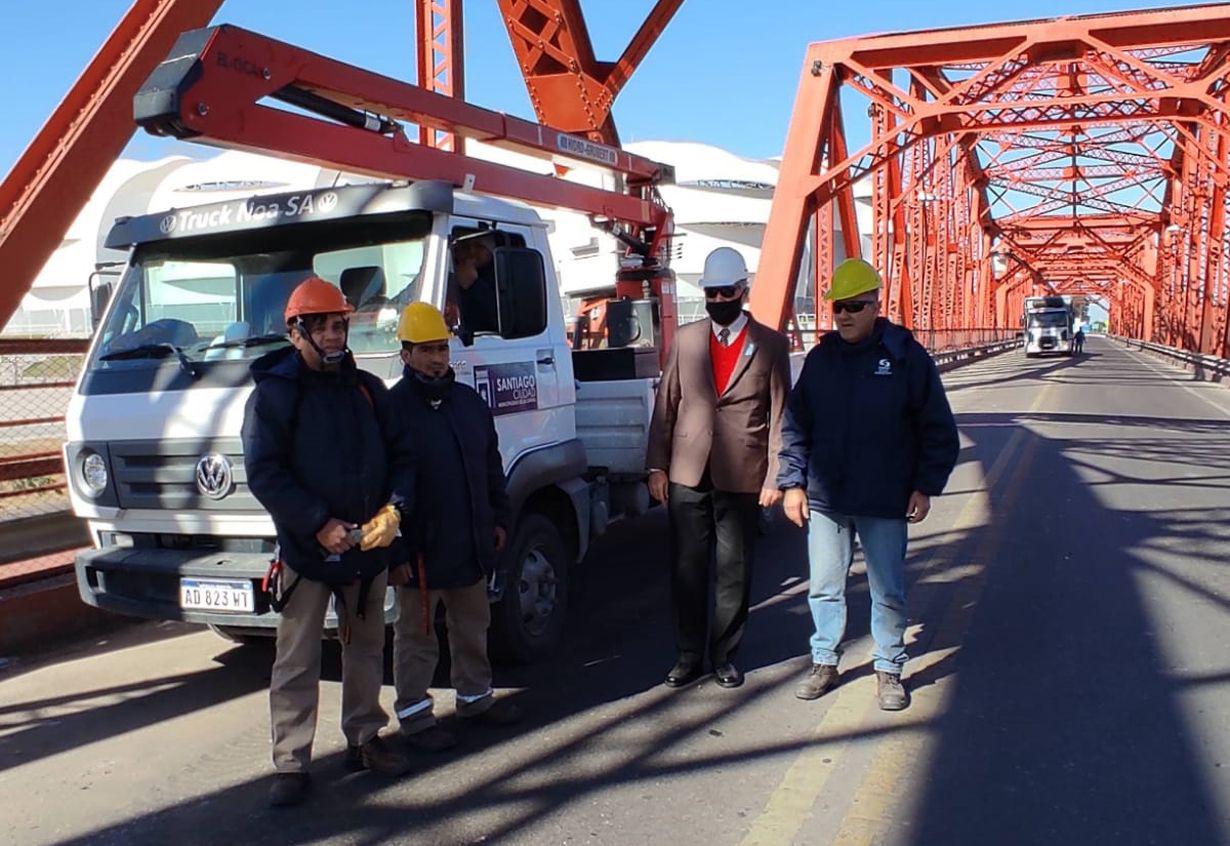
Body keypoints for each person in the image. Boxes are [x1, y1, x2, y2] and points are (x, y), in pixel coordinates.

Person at [241, 276, 413, 807]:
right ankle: (291, 762)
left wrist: (395, 510)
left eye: (340, 325)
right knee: (295, 658)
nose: (336, 335)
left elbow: (403, 457)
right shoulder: (275, 395)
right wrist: (317, 522)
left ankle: (364, 738)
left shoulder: (366, 390)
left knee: (365, 647)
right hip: (309, 550)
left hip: (367, 546)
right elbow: (264, 472)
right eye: (324, 327)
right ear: (298, 333)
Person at [778, 259, 960, 711]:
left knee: (888, 589)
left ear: (876, 305)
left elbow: (937, 427)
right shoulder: (821, 361)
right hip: (827, 498)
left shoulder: (905, 357)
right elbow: (796, 425)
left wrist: (925, 485)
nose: (844, 315)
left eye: (855, 306)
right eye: (838, 307)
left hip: (883, 497)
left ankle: (889, 667)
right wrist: (791, 483)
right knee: (823, 584)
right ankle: (824, 660)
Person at [646, 247, 792, 689]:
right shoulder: (687, 341)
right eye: (712, 292)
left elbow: (781, 414)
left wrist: (775, 477)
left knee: (735, 570)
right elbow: (666, 405)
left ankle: (724, 655)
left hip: (743, 476)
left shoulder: (770, 344)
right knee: (687, 569)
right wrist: (655, 466)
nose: (719, 300)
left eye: (727, 292)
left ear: (742, 292)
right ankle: (688, 655)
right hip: (688, 472)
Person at [385, 302, 522, 751]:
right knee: (416, 639)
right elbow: (381, 486)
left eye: (441, 348)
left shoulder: (468, 404)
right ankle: (415, 715)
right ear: (405, 354)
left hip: (469, 545)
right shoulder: (392, 410)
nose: (436, 358)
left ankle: (475, 699)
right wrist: (396, 553)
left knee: (472, 626)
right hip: (420, 554)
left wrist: (499, 520)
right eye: (425, 350)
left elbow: (490, 468)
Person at [446, 233, 501, 337]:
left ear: (490, 251)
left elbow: (501, 317)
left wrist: (474, 285)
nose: (471, 251)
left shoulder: (502, 274)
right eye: (466, 247)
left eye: (479, 246)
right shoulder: (446, 275)